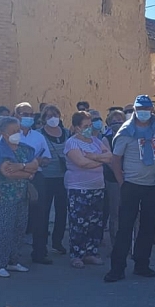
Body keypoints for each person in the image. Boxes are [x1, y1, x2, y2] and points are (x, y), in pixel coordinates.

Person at [104, 95, 155, 282]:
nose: (144, 113)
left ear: (152, 110)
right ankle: (117, 268)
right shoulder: (126, 131)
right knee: (124, 227)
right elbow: (115, 159)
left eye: (147, 109)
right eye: (140, 109)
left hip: (153, 185)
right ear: (135, 110)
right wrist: (121, 182)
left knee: (148, 227)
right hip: (131, 185)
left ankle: (142, 264)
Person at [0, 117, 38, 278]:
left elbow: (34, 166)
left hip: (22, 196)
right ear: (3, 133)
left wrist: (21, 167)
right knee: (3, 230)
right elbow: (7, 172)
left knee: (19, 228)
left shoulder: (24, 149)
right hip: (3, 197)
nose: (17, 133)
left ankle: (13, 261)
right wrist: (26, 172)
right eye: (13, 131)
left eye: (18, 130)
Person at [64, 111, 112, 268]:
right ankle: (77, 254)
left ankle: (91, 252)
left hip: (97, 187)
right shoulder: (72, 143)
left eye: (90, 125)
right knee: (79, 223)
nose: (89, 129)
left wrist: (93, 156)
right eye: (85, 126)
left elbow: (110, 156)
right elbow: (82, 163)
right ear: (77, 128)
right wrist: (100, 160)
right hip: (79, 189)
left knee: (95, 222)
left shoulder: (96, 141)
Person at [15, 102, 53, 265]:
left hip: (36, 177)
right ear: (16, 116)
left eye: (31, 115)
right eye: (24, 114)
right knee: (15, 216)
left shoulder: (38, 136)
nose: (28, 118)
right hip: (15, 177)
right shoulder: (10, 135)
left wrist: (37, 162)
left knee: (39, 216)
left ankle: (39, 252)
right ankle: (12, 253)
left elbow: (47, 158)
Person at [40, 105, 70, 255]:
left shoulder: (66, 133)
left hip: (63, 177)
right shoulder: (40, 134)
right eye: (49, 116)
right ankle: (42, 242)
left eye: (55, 115)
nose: (52, 118)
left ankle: (57, 242)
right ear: (44, 118)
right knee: (44, 211)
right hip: (46, 177)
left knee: (62, 211)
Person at [103, 109, 126, 248]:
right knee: (115, 213)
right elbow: (110, 160)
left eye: (120, 121)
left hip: (130, 179)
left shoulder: (128, 136)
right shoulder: (106, 139)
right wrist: (120, 173)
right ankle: (116, 245)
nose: (117, 124)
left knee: (131, 214)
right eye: (114, 122)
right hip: (113, 180)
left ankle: (130, 245)